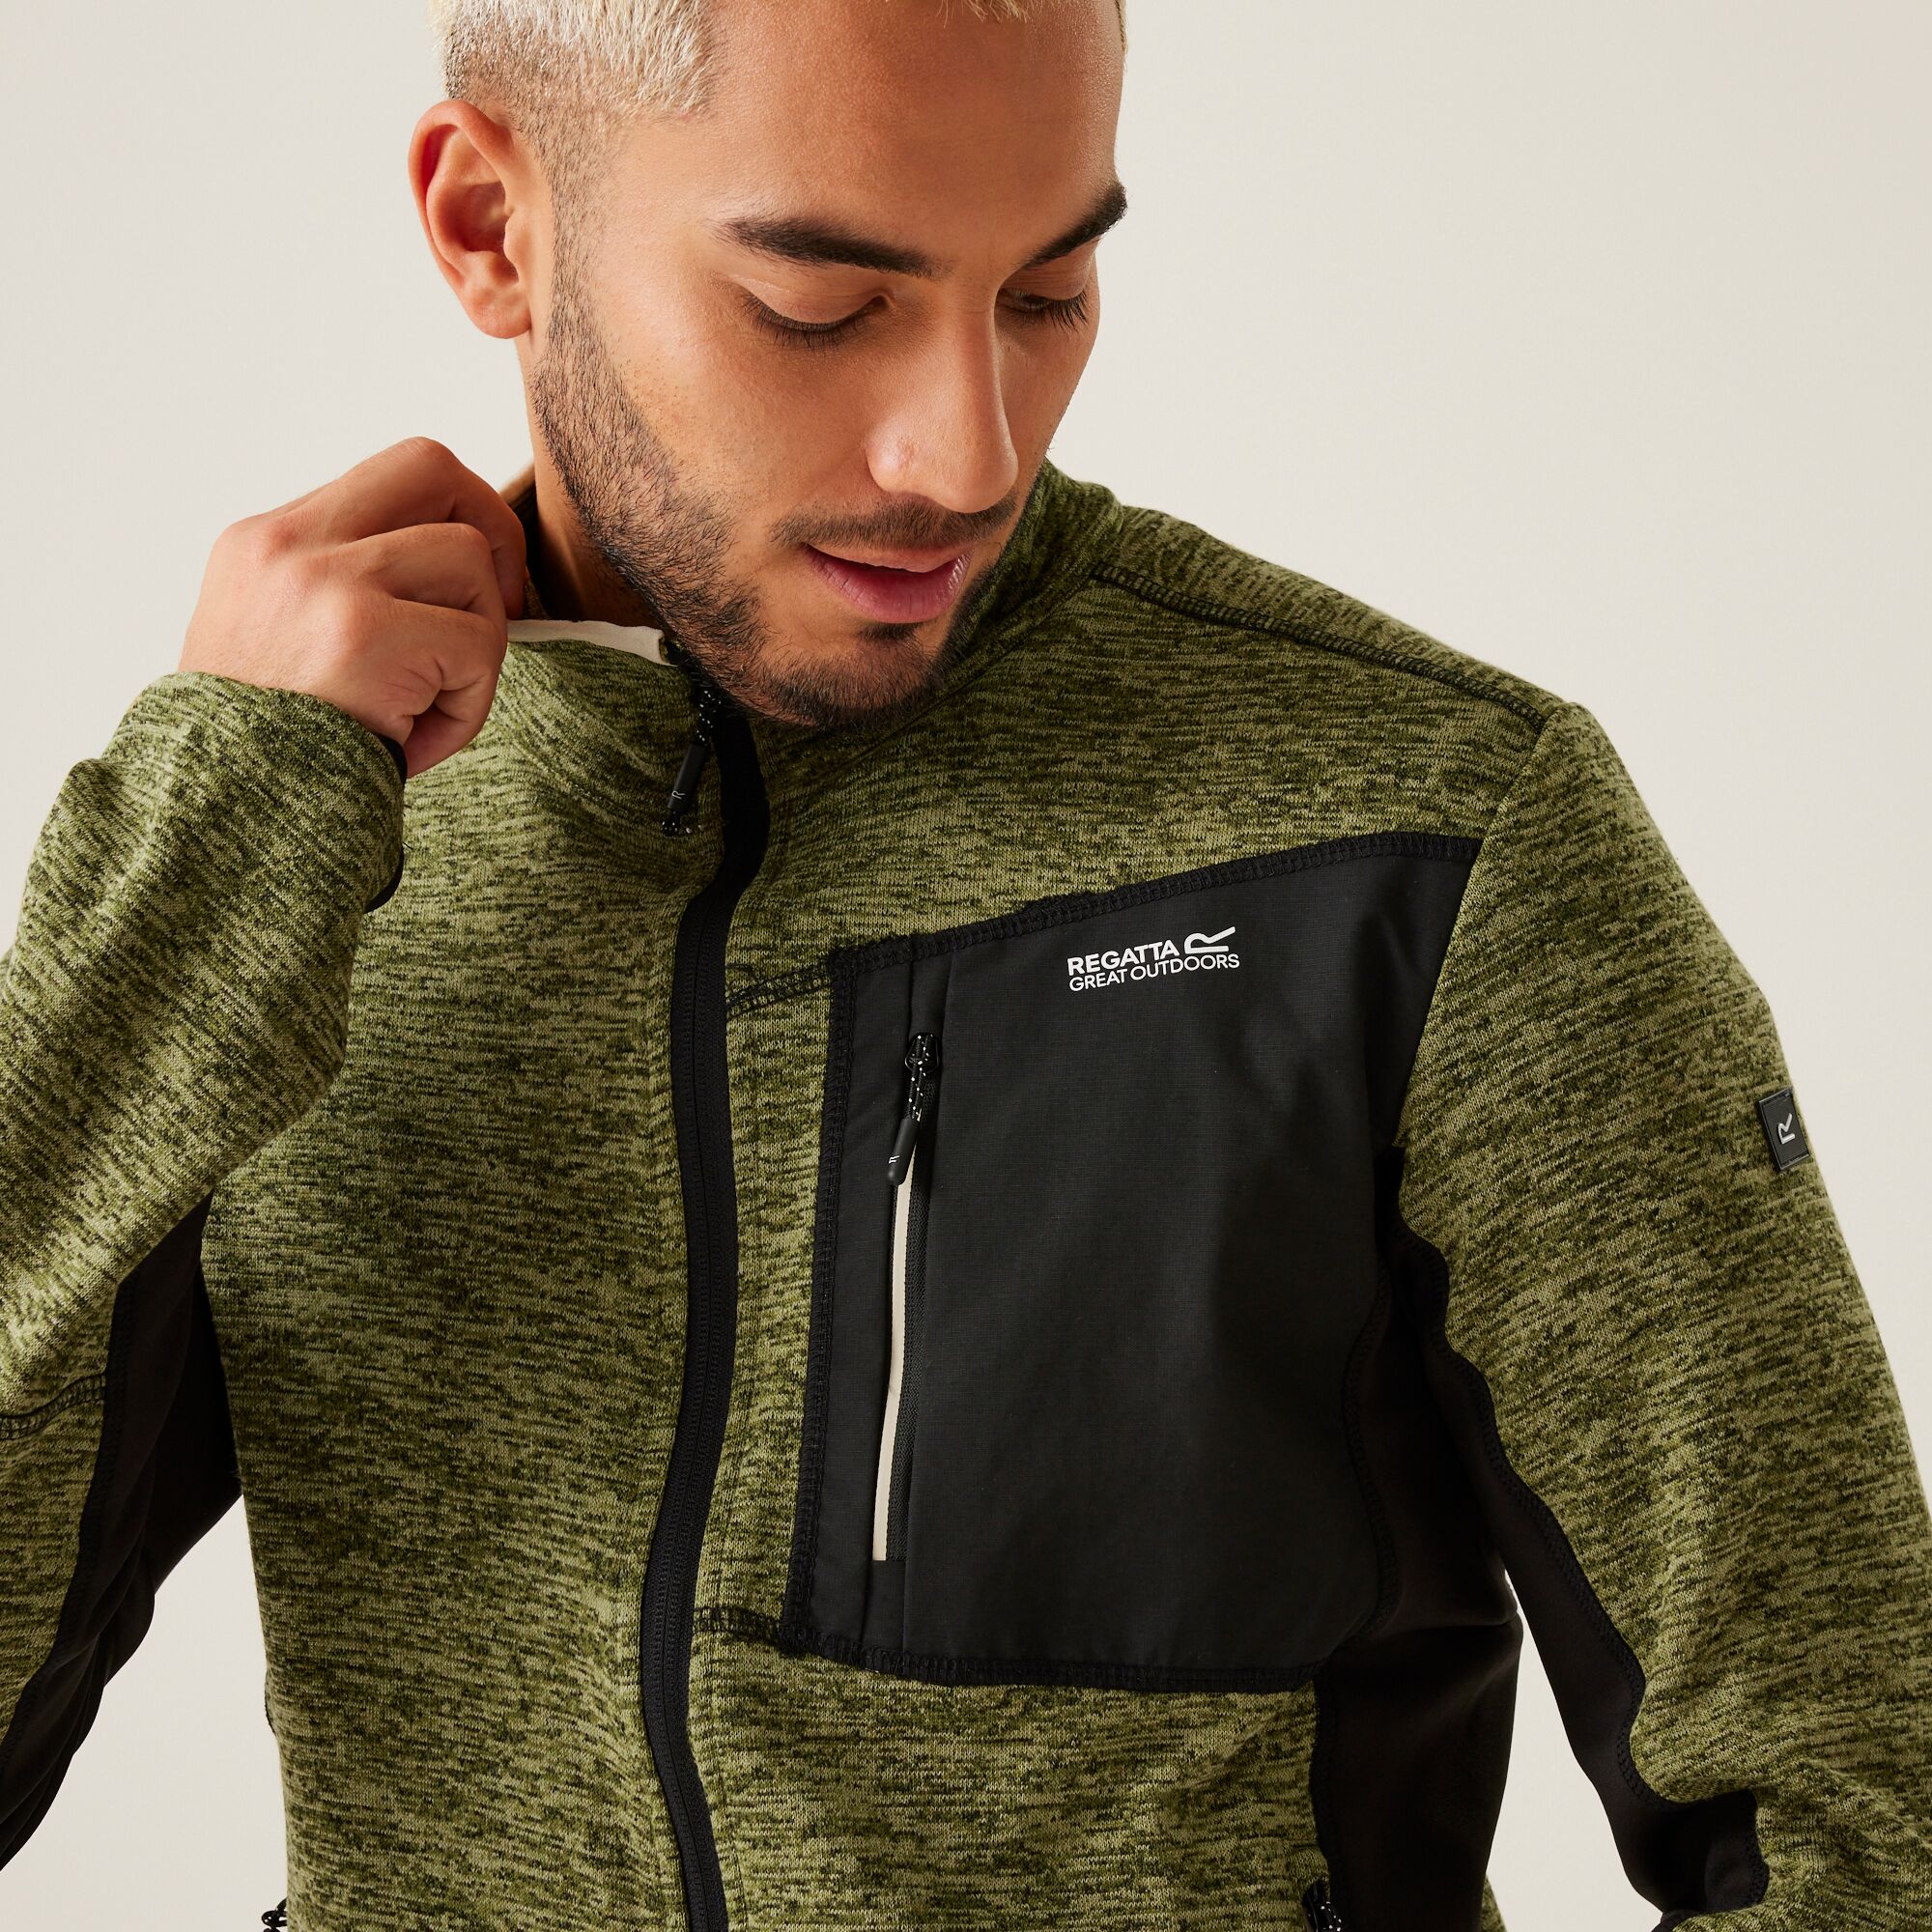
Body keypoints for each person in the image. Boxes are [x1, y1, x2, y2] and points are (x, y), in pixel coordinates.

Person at [2, 1, 1927, 1927]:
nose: (964, 451)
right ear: (492, 226)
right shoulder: (287, 863)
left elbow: (1867, 1817)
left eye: (1048, 291)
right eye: (825, 306)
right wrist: (199, 869)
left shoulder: (1416, 843)